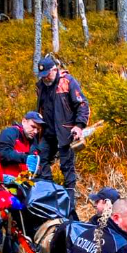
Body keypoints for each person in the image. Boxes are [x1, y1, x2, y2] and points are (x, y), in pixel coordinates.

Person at [35, 55, 90, 209]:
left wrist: (79, 125)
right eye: (43, 75)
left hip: (66, 132)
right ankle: (50, 194)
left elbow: (82, 104)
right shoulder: (40, 86)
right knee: (41, 159)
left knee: (67, 167)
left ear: (54, 69)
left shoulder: (67, 82)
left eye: (47, 74)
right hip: (47, 131)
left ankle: (69, 203)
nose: (45, 78)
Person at [0, 111, 45, 180]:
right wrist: (25, 158)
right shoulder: (10, 132)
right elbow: (3, 154)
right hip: (6, 179)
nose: (35, 132)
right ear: (24, 121)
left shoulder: (33, 140)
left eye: (38, 129)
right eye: (33, 127)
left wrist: (37, 169)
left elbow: (36, 160)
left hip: (25, 181)